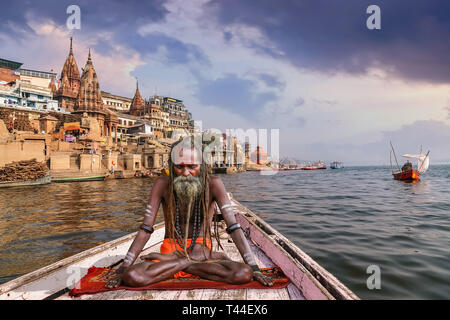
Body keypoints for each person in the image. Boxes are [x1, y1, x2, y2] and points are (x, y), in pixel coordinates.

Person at [105, 136, 273, 288]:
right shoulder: (162, 183)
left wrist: (254, 267)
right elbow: (146, 228)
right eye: (179, 167)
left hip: (201, 250)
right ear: (172, 165)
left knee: (244, 273)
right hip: (171, 250)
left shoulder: (214, 183)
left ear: (203, 165)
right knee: (132, 276)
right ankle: (188, 261)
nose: (185, 173)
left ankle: (181, 262)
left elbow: (234, 227)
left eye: (192, 167)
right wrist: (123, 268)